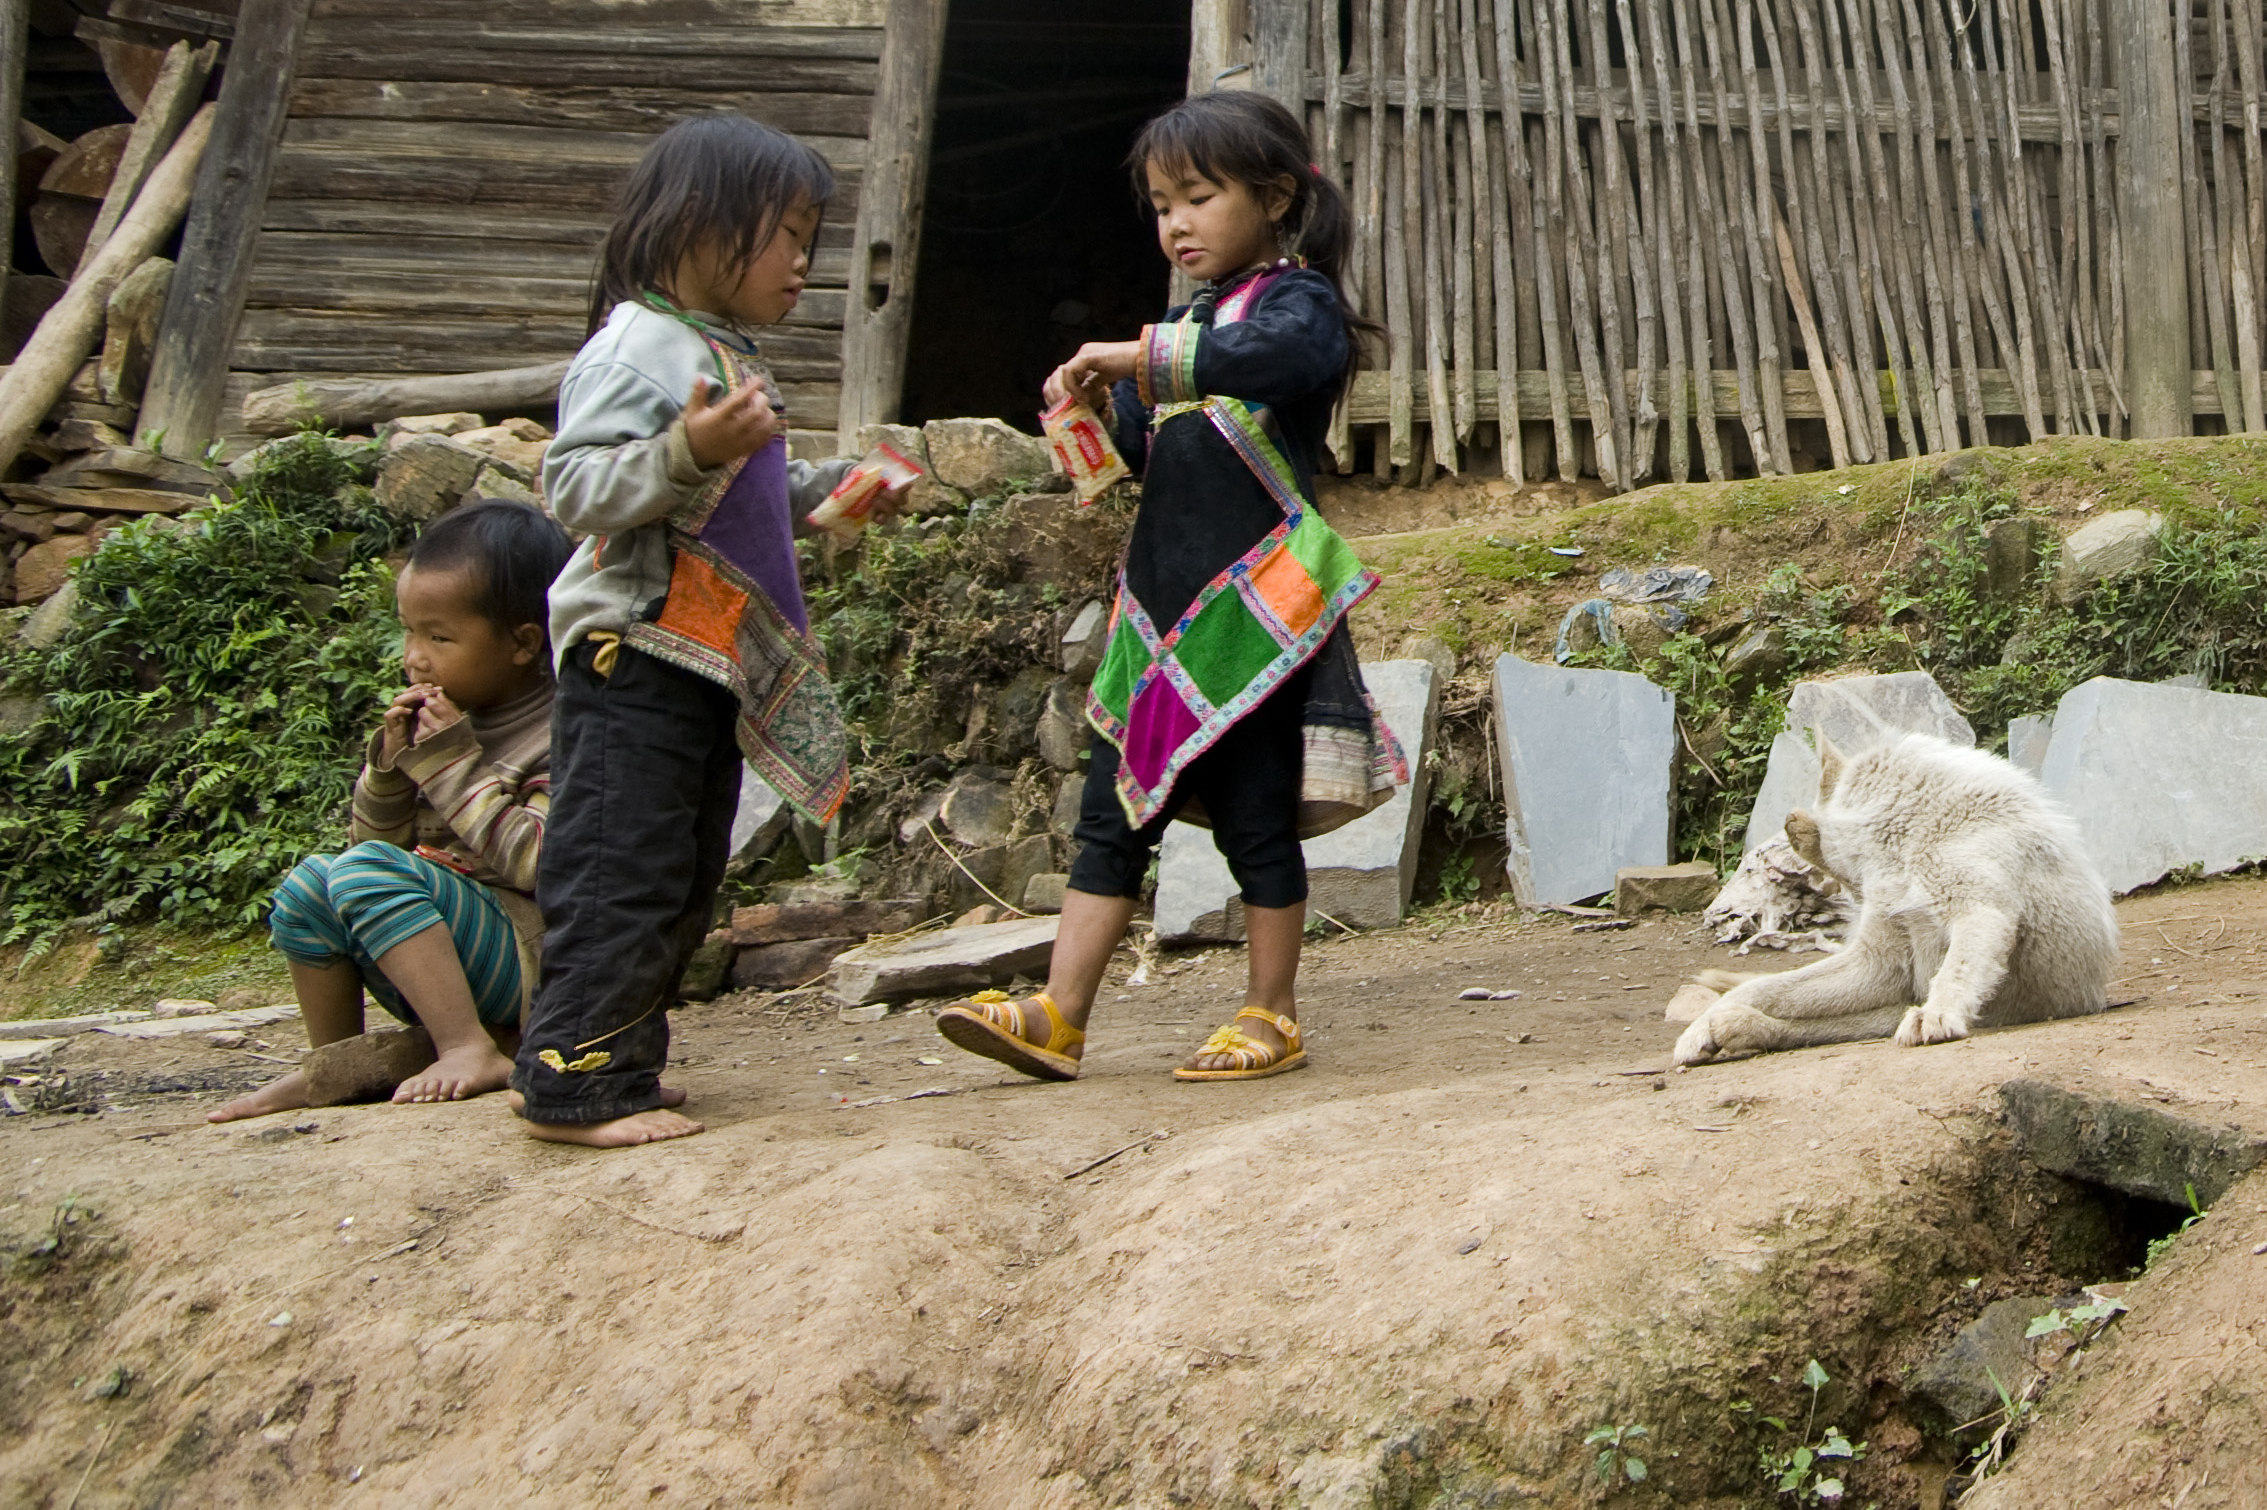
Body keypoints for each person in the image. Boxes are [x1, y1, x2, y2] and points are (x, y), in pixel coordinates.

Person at [938, 90, 1401, 1087]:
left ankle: (1271, 1013)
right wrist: (1096, 412)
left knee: (1253, 816)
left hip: (1254, 616)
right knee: (1112, 813)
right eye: (1160, 204)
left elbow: (1275, 361)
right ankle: (1058, 1018)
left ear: (1275, 199)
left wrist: (1143, 356)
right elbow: (1149, 449)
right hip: (1159, 619)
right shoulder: (1186, 327)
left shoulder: (1296, 308)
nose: (1175, 223)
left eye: (1197, 196)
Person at [521, 113, 894, 1147]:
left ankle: (618, 1055)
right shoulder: (639, 349)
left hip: (697, 661)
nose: (801, 264)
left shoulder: (719, 352)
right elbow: (575, 488)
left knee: (681, 868)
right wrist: (686, 442)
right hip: (631, 652)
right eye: (783, 235)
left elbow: (733, 495)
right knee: (618, 868)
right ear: (699, 224)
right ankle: (572, 1083)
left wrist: (834, 490)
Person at [213, 498, 568, 1122]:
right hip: (448, 944)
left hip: (529, 956)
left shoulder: (561, 730)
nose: (416, 657)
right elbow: (373, 844)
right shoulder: (445, 723)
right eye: (409, 631)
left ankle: (467, 1046)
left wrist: (451, 763)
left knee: (364, 871)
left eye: (439, 636)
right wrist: (389, 770)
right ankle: (338, 1065)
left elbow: (539, 865)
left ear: (521, 642)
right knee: (308, 887)